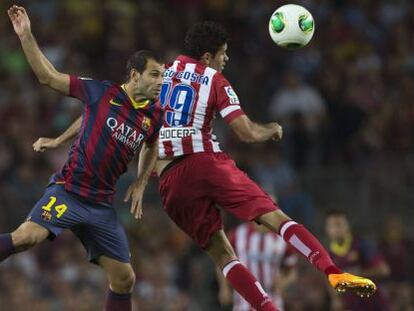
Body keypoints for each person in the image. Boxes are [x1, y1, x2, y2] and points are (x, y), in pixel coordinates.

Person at [37, 21, 377, 311]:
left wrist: (141, 180)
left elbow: (107, 109)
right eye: (223, 53)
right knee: (276, 218)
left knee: (221, 254)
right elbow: (244, 131)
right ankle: (331, 269)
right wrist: (270, 130)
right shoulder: (214, 80)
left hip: (170, 183)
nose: (226, 59)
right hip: (205, 162)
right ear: (208, 56)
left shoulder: (156, 76)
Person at [1, 6, 164, 311]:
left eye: (163, 76)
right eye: (154, 74)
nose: (160, 82)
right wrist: (26, 35)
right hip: (69, 192)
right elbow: (48, 77)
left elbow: (151, 146)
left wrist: (142, 182)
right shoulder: (101, 92)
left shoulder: (154, 115)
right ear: (134, 74)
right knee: (25, 238)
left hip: (101, 206)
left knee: (124, 278)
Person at [216, 222, 298, 311]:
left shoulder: (281, 239)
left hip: (272, 298)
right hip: (243, 300)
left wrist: (283, 282)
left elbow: (292, 271)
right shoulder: (238, 234)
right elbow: (223, 263)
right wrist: (224, 288)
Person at [325, 210, 391, 311]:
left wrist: (357, 275)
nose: (337, 229)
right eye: (333, 226)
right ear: (327, 229)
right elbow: (330, 281)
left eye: (339, 224)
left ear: (347, 226)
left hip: (375, 304)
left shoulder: (361, 245)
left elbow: (384, 270)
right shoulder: (328, 255)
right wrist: (335, 299)